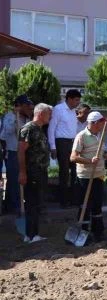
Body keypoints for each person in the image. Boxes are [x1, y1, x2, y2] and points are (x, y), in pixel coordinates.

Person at [71, 111, 107, 242]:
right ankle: (83, 232)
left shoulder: (101, 135)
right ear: (94, 123)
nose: (102, 125)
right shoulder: (81, 136)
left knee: (97, 205)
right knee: (85, 205)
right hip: (85, 176)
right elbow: (73, 157)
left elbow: (102, 154)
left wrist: (105, 156)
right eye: (100, 122)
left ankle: (98, 232)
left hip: (99, 175)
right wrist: (89, 161)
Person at [18, 103, 53, 243]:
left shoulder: (39, 129)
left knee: (37, 203)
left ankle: (32, 234)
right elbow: (21, 151)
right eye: (49, 114)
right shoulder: (29, 128)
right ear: (41, 114)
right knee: (32, 203)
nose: (50, 117)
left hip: (40, 171)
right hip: (32, 171)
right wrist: (22, 172)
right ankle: (31, 235)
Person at [1, 96, 34, 217]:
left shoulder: (27, 118)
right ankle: (14, 206)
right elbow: (4, 135)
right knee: (14, 180)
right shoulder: (9, 117)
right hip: (13, 152)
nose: (28, 108)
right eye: (26, 106)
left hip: (26, 153)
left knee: (24, 180)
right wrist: (15, 120)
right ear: (19, 106)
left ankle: (19, 203)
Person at [48, 89, 82, 207]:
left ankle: (74, 199)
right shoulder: (58, 109)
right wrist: (52, 146)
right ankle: (63, 201)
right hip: (61, 142)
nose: (78, 103)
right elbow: (51, 128)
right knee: (64, 172)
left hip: (72, 142)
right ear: (69, 99)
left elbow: (74, 129)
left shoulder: (73, 112)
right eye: (76, 100)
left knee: (75, 171)